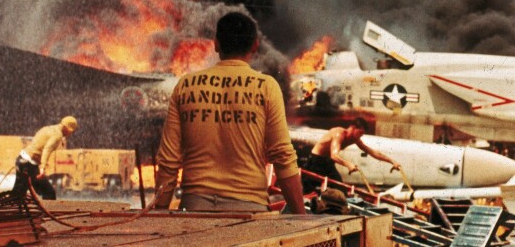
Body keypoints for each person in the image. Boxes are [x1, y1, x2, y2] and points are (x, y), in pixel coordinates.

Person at [154, 12, 305, 213]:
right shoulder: (267, 87)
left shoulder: (186, 85)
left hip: (194, 209)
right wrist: (301, 215)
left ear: (216, 44)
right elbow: (282, 156)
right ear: (255, 46)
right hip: (249, 211)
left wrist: (159, 211)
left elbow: (168, 160)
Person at [301, 117, 401, 193]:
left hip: (327, 163)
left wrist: (392, 161)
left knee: (341, 190)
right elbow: (334, 155)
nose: (361, 136)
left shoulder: (355, 139)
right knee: (308, 190)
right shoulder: (339, 133)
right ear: (353, 128)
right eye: (360, 132)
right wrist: (348, 164)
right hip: (315, 161)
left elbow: (372, 152)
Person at [12, 116, 79, 199]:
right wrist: (42, 168)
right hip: (28, 164)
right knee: (49, 193)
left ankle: (13, 210)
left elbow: (36, 141)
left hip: (23, 160)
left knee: (18, 194)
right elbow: (46, 150)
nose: (70, 134)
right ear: (66, 127)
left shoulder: (48, 128)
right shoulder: (58, 135)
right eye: (70, 132)